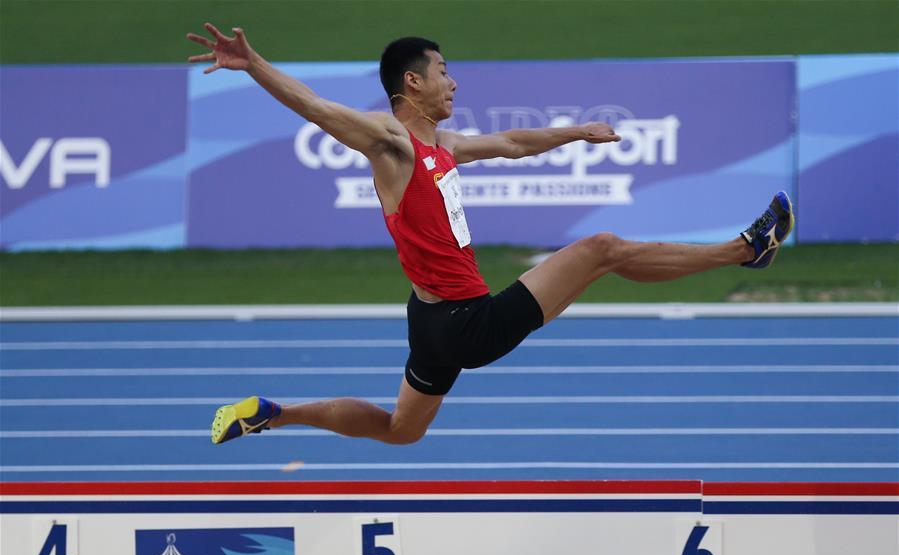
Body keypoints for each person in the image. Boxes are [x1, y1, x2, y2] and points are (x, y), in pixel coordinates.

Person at [187, 23, 794, 446]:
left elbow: (511, 143)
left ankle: (275, 414)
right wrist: (254, 65)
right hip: (466, 324)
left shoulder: (442, 145)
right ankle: (746, 250)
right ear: (411, 84)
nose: (454, 83)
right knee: (601, 249)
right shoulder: (391, 142)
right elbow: (317, 108)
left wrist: (577, 132)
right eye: (444, 73)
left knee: (401, 429)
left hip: (428, 322)